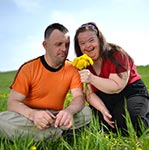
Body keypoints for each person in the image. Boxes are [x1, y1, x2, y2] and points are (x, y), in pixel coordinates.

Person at [0, 23, 92, 142]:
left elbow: (79, 97)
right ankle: (61, 135)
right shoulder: (28, 68)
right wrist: (33, 115)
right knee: (2, 119)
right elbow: (12, 103)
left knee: (87, 112)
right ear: (45, 45)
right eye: (58, 44)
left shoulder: (72, 69)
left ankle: (45, 136)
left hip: (57, 116)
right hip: (29, 117)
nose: (64, 49)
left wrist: (68, 111)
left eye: (67, 45)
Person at [74, 22, 149, 135]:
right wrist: (103, 110)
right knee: (98, 124)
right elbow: (89, 94)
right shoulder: (83, 63)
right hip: (104, 98)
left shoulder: (116, 54)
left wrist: (92, 78)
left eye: (91, 40)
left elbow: (117, 87)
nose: (88, 46)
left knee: (130, 122)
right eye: (82, 43)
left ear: (99, 40)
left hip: (130, 92)